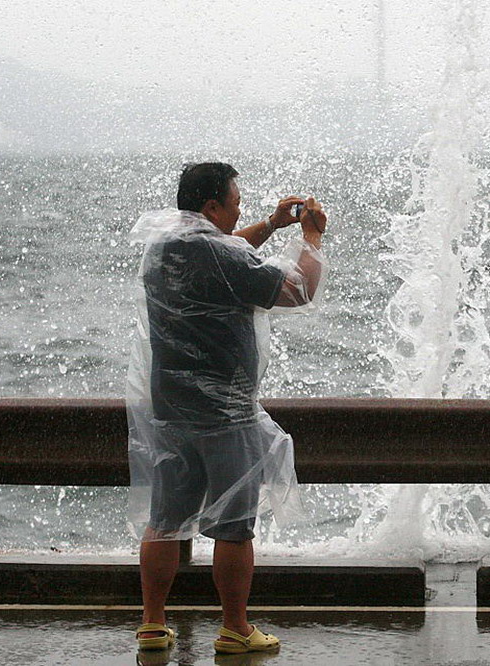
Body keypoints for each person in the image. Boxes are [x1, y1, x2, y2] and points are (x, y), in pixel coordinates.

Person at [126, 162, 327, 654]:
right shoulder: (218, 252)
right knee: (234, 528)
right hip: (226, 416)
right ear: (211, 205)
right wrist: (311, 238)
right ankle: (235, 629)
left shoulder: (164, 247)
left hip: (170, 409)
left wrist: (272, 225)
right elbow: (297, 290)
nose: (240, 208)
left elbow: (227, 254)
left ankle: (152, 624)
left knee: (165, 521)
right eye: (235, 201)